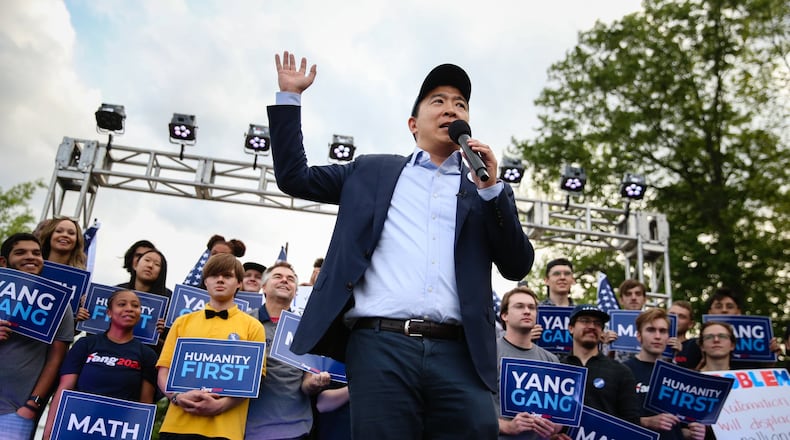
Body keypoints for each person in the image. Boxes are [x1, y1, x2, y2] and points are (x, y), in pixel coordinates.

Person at [268, 51, 534, 439]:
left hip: (459, 353)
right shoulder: (371, 171)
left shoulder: (484, 191)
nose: (451, 109)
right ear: (413, 124)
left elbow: (517, 265)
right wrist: (290, 98)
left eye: (460, 104)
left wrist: (492, 190)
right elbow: (294, 178)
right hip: (381, 346)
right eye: (438, 101)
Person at [156, 253, 266, 440]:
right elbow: (164, 370)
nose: (220, 280)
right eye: (214, 275)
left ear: (239, 283)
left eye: (227, 276)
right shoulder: (182, 322)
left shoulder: (253, 326)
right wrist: (176, 396)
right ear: (206, 281)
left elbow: (255, 380)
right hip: (177, 426)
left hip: (226, 430)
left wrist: (221, 405)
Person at [42, 289, 158, 440]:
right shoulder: (85, 344)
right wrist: (49, 429)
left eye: (135, 306)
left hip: (118, 432)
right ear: (109, 312)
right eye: (122, 304)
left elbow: (145, 405)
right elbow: (64, 388)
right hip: (76, 427)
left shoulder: (147, 355)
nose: (129, 308)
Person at [0, 233, 75, 440]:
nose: (31, 257)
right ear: (3, 262)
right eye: (20, 252)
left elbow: (56, 359)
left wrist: (32, 405)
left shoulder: (58, 302)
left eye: (36, 253)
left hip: (13, 413)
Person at [245, 261, 330, 439]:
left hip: (296, 429)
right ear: (263, 287)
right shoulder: (244, 322)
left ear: (296, 291)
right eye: (278, 276)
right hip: (248, 427)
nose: (284, 280)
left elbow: (307, 383)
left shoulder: (306, 328)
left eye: (290, 279)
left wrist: (314, 383)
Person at [623, 309, 705, 440]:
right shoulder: (623, 371)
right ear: (639, 336)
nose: (657, 336)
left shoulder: (678, 373)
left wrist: (693, 433)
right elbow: (613, 417)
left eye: (663, 331)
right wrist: (646, 422)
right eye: (651, 330)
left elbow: (680, 427)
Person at [495, 286, 561, 439]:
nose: (527, 311)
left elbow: (559, 416)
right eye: (519, 306)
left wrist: (553, 427)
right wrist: (507, 426)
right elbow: (471, 408)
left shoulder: (551, 360)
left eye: (531, 307)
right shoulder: (487, 353)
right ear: (504, 315)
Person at [562, 304, 640, 424]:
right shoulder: (558, 368)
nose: (592, 326)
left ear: (602, 332)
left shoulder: (621, 372)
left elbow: (631, 421)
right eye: (585, 321)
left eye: (597, 323)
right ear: (571, 328)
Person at [669, 300, 702, 369]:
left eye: (681, 317)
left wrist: (681, 353)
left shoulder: (695, 345)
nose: (676, 319)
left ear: (691, 324)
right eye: (672, 315)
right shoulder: (655, 341)